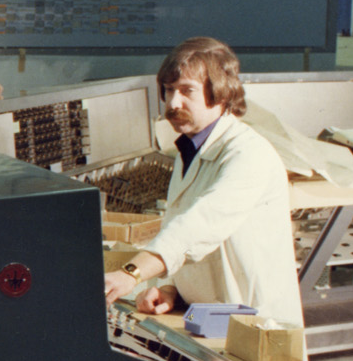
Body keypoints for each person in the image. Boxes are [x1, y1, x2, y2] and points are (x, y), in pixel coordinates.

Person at [102, 35, 305, 324]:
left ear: (221, 93)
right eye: (169, 90)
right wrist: (170, 289)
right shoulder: (189, 149)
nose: (174, 102)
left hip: (252, 324)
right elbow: (180, 233)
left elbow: (197, 226)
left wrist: (130, 274)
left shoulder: (248, 154)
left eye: (187, 91)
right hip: (206, 316)